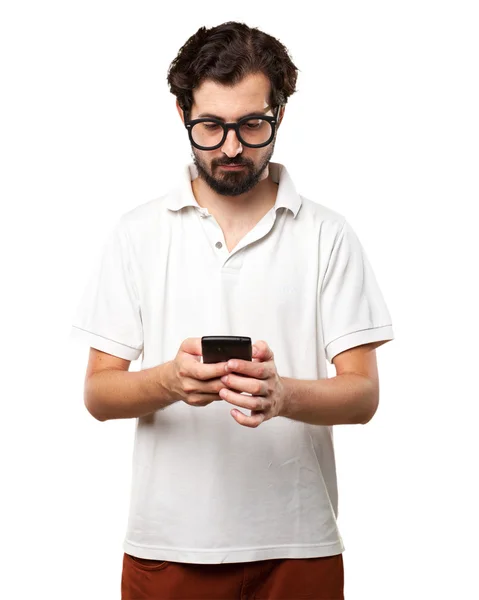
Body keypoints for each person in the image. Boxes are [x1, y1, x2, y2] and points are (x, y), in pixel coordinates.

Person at [70, 21, 394, 600]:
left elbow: (363, 395)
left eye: (252, 124)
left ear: (281, 113)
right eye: (211, 126)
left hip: (299, 544)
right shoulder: (136, 234)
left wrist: (284, 396)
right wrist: (169, 380)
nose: (231, 147)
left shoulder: (328, 235)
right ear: (181, 114)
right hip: (166, 547)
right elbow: (98, 394)